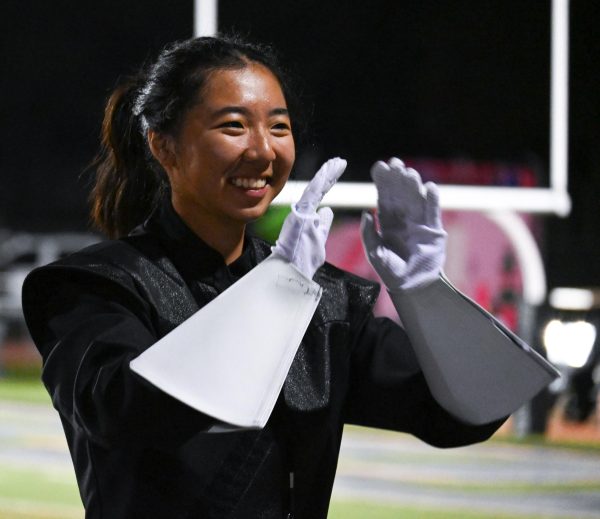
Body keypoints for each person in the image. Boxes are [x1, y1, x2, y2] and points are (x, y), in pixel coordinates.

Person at [22, 35, 531, 519]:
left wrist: (425, 294)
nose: (264, 150)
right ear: (165, 147)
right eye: (233, 126)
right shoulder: (91, 287)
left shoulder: (322, 299)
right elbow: (126, 413)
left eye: (279, 127)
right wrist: (276, 294)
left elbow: (464, 416)